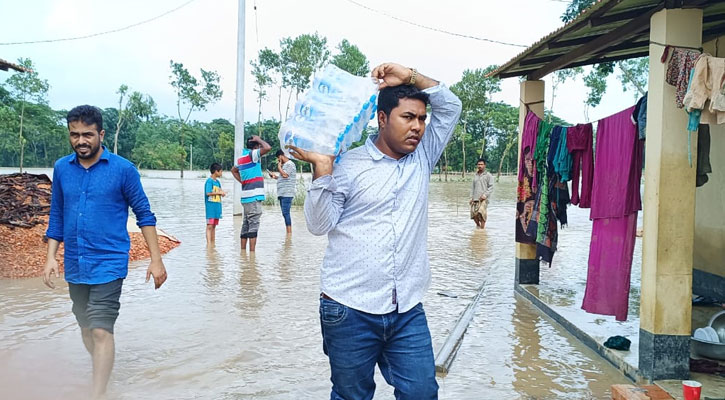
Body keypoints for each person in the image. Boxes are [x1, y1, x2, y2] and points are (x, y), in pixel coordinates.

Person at [290, 62, 461, 399]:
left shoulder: (423, 156)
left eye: (422, 119)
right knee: (352, 395)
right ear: (382, 119)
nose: (418, 127)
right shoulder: (348, 165)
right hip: (349, 309)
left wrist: (411, 77)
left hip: (406, 309)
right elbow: (318, 224)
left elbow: (451, 105)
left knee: (422, 392)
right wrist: (323, 169)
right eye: (407, 117)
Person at [42, 105, 168, 400]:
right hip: (75, 261)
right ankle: (104, 364)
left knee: (100, 329)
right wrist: (50, 257)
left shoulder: (123, 170)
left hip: (109, 262)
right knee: (86, 328)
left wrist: (156, 259)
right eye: (74, 135)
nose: (80, 141)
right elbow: (57, 214)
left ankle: (98, 394)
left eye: (87, 134)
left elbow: (145, 215)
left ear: (101, 134)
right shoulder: (62, 168)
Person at [231, 135, 271, 251]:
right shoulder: (252, 155)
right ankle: (252, 255)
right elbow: (268, 148)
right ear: (256, 147)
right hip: (253, 197)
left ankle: (243, 253)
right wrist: (258, 139)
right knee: (253, 224)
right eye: (259, 146)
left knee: (246, 224)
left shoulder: (241, 158)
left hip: (245, 197)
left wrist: (243, 182)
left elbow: (233, 170)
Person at [267, 149, 297, 234]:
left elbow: (285, 175)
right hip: (282, 192)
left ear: (281, 156)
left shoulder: (290, 164)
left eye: (278, 158)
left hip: (287, 193)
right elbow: (283, 176)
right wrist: (275, 177)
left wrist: (279, 167)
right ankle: (288, 233)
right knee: (284, 213)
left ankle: (289, 233)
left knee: (286, 213)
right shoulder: (286, 165)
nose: (278, 160)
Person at [469, 158, 494, 229]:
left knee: (481, 213)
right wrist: (471, 197)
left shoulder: (488, 175)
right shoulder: (475, 175)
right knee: (474, 215)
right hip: (475, 198)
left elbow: (491, 187)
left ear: (484, 165)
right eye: (478, 164)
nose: (480, 166)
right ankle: (478, 226)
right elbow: (472, 187)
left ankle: (482, 229)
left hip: (484, 199)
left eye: (481, 164)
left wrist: (485, 195)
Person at [205, 162, 226, 245]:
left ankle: (213, 244)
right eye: (221, 171)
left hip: (217, 206)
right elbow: (208, 193)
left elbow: (220, 191)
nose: (221, 173)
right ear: (216, 171)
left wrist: (223, 193)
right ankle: (209, 244)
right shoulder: (209, 181)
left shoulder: (218, 182)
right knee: (209, 226)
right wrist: (219, 193)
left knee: (214, 226)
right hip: (210, 207)